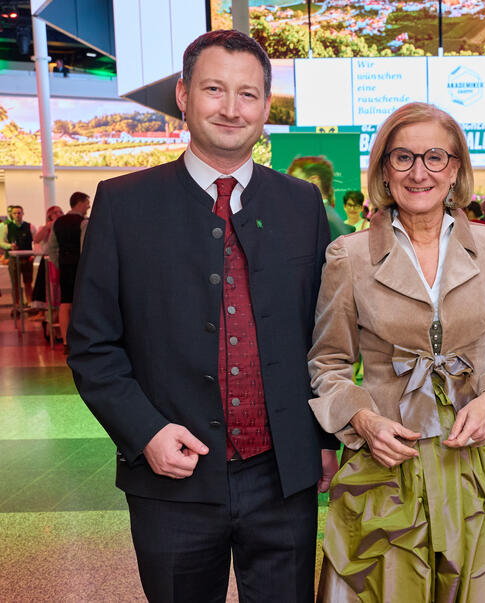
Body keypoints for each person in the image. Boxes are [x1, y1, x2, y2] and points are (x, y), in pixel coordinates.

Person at [67, 30, 339, 602]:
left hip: (282, 477)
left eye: (248, 94)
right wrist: (147, 434)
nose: (231, 108)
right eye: (215, 89)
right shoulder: (122, 203)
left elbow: (320, 337)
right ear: (184, 95)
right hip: (172, 476)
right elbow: (93, 346)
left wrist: (323, 439)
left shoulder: (299, 204)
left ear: (266, 106)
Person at [308, 101, 485, 602]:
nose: (420, 172)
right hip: (386, 467)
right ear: (384, 169)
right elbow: (328, 365)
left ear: (456, 168)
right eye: (403, 158)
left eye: (435, 157)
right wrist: (365, 422)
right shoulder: (348, 256)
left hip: (478, 465)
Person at [48, 193, 90, 353]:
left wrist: (60, 264)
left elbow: (51, 248)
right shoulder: (83, 222)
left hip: (65, 267)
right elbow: (84, 249)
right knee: (82, 303)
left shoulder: (58, 222)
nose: (88, 206)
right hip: (80, 268)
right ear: (79, 203)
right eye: (87, 203)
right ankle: (83, 339)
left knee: (65, 303)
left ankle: (66, 341)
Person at [288, 155, 354, 239]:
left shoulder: (320, 221)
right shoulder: (327, 216)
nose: (290, 186)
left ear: (314, 181)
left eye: (294, 180)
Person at [1, 205, 37, 312]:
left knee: (28, 282)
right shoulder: (5, 227)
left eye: (19, 213)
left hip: (27, 258)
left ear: (23, 213)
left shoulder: (30, 226)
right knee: (15, 284)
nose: (17, 215)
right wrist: (9, 246)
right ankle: (16, 305)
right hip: (13, 259)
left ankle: (30, 303)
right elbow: (1, 242)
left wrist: (33, 254)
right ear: (11, 215)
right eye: (15, 213)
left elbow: (36, 241)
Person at [30, 204, 64, 317]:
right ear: (49, 215)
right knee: (46, 288)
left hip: (61, 260)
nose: (58, 214)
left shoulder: (64, 226)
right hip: (48, 262)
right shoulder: (46, 227)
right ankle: (47, 313)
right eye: (55, 212)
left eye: (60, 212)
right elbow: (36, 239)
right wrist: (47, 227)